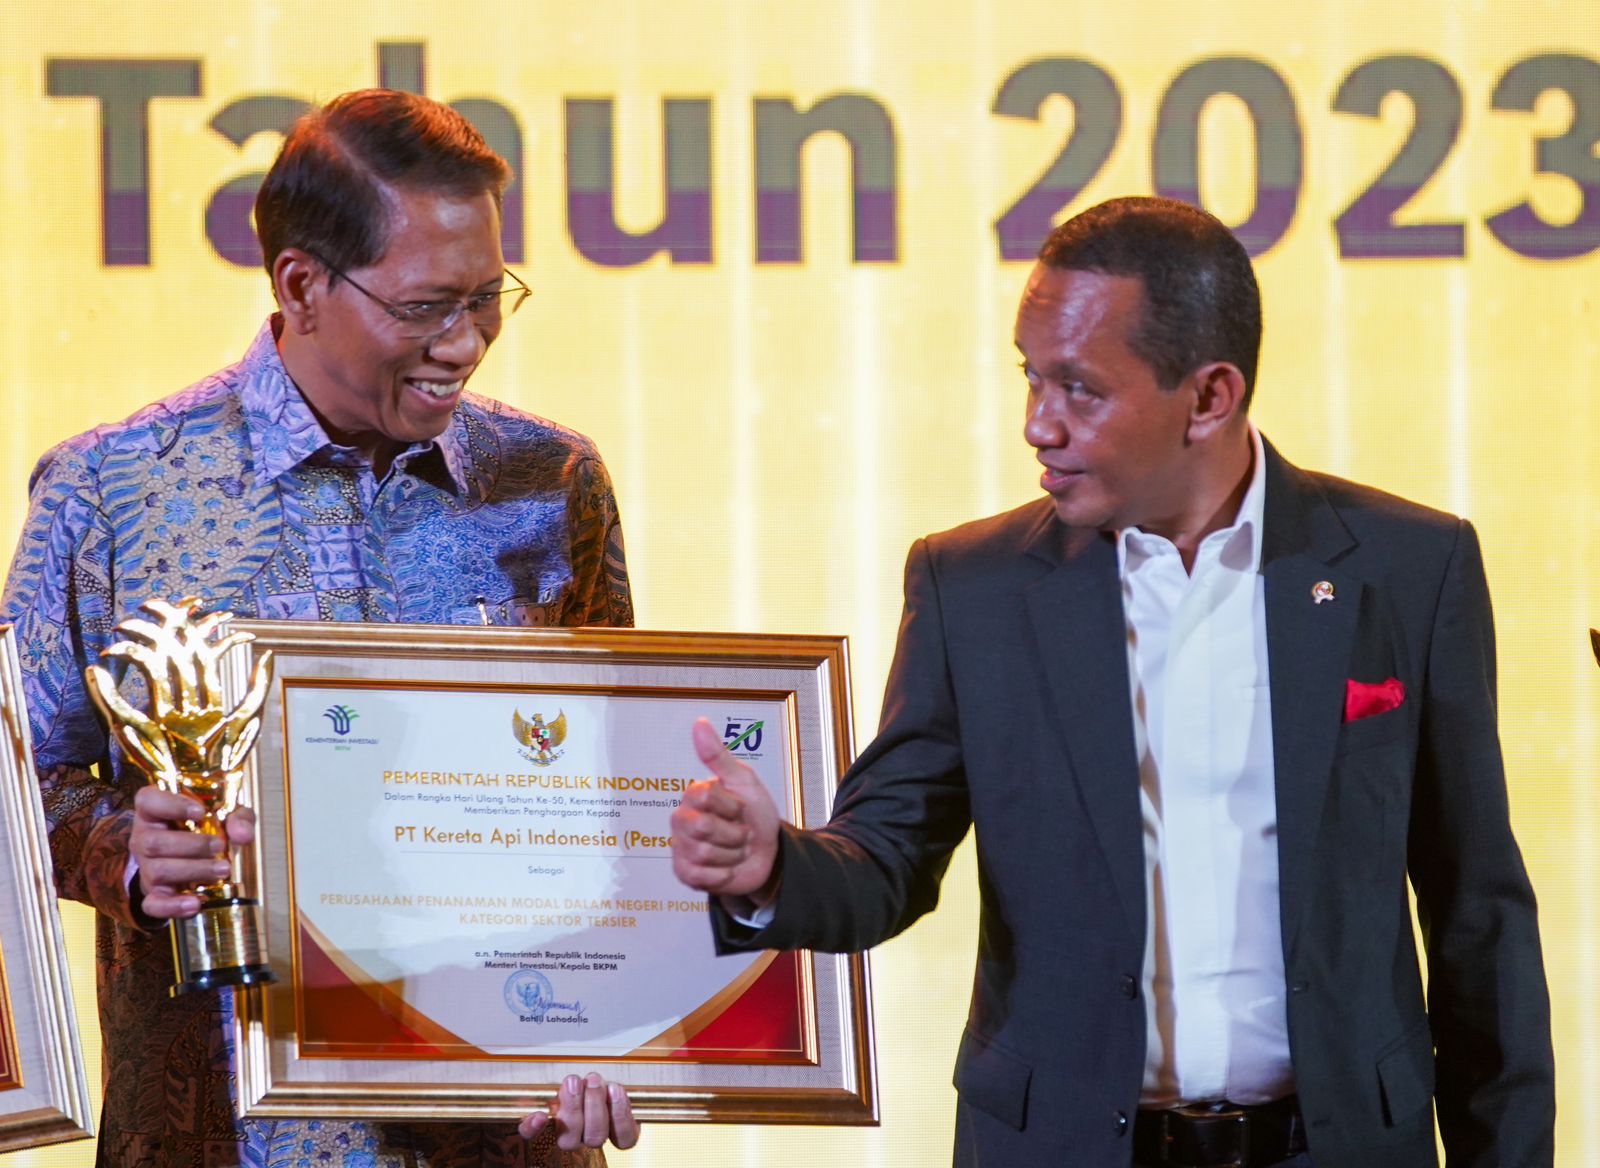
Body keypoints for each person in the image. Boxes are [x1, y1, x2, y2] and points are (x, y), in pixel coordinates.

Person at [670, 196, 1555, 1167]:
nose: (1036, 425)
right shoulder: (973, 588)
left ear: (1209, 397)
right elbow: (887, 857)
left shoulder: (1410, 567)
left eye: (1079, 390)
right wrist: (771, 868)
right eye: (1029, 376)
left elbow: (1479, 919)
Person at [2, 90, 639, 1167]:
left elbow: (611, 793)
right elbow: (20, 787)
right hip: (224, 1134)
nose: (467, 341)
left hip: (503, 1134)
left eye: (489, 297)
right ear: (301, 285)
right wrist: (126, 847)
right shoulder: (109, 489)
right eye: (427, 306)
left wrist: (620, 1034)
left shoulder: (552, 479)